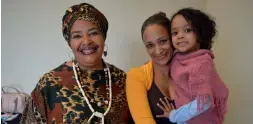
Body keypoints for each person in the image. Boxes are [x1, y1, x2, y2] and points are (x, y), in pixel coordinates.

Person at [20, 3, 132, 124]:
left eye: (93, 33)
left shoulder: (123, 80)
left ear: (103, 36)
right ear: (70, 42)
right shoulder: (49, 84)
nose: (86, 41)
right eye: (77, 36)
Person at [158, 8, 229, 124]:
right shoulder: (178, 56)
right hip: (186, 117)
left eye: (187, 30)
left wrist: (174, 115)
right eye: (175, 33)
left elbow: (204, 102)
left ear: (200, 34)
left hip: (200, 120)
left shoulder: (202, 62)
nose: (180, 36)